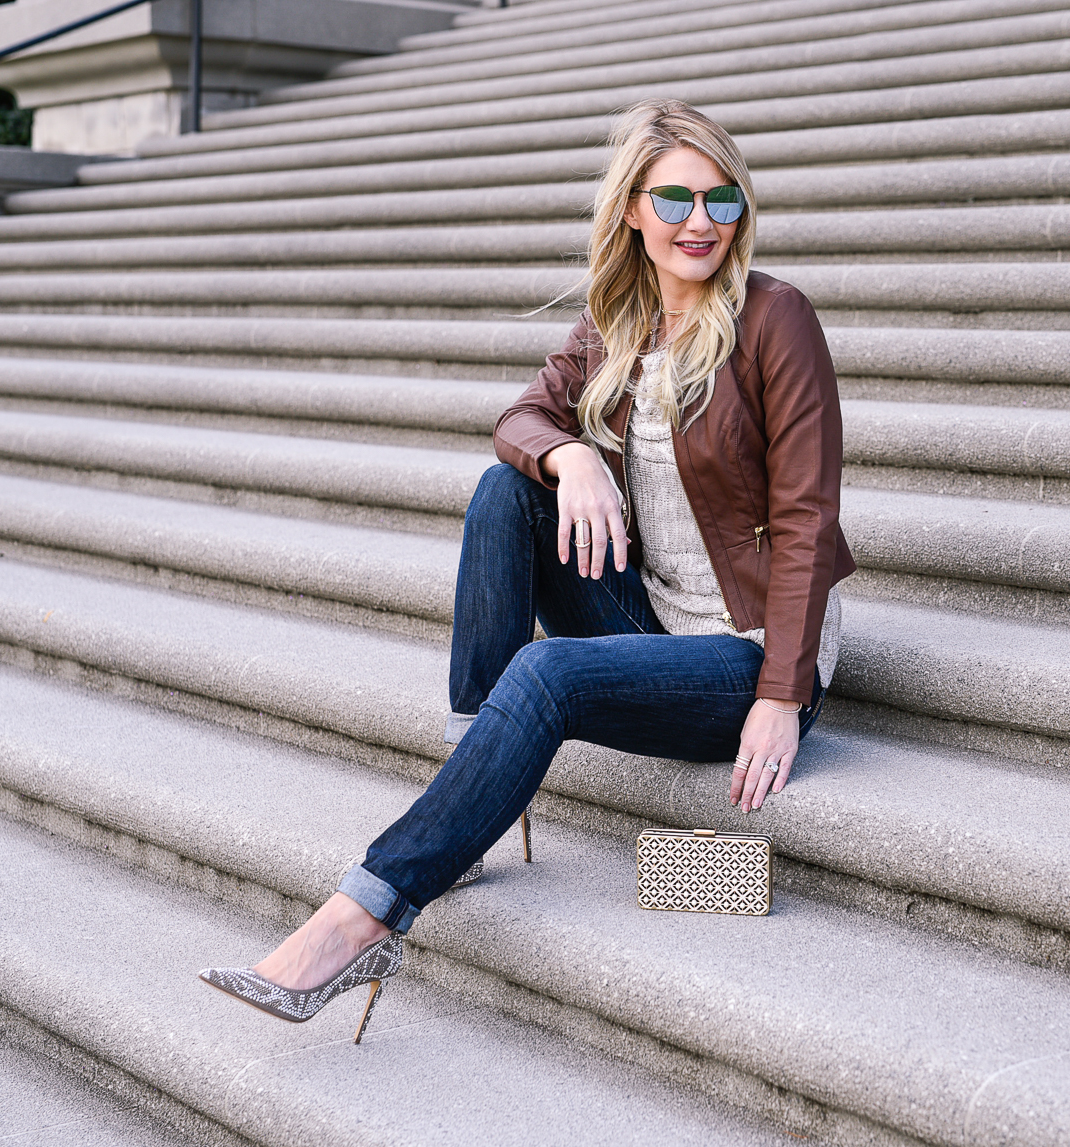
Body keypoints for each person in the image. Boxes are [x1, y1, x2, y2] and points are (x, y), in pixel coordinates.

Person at [199, 99, 855, 1043]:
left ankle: (363, 916)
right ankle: (479, 775)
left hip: (749, 652)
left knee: (546, 670)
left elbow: (805, 517)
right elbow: (518, 419)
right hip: (655, 621)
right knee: (506, 490)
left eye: (722, 201)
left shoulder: (775, 319)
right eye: (674, 199)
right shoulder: (620, 324)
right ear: (632, 208)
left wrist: (781, 694)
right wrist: (571, 456)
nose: (700, 222)